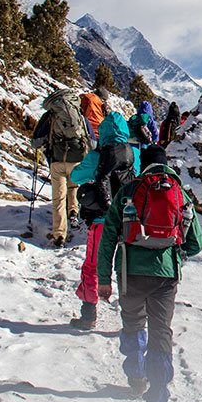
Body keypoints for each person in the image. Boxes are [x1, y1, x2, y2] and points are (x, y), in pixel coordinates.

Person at [97, 146, 202, 402]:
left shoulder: (128, 192)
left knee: (132, 324)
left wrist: (104, 279)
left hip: (130, 273)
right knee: (161, 335)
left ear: (143, 165)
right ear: (166, 165)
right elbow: (196, 244)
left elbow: (108, 236)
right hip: (166, 277)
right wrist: (175, 252)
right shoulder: (179, 194)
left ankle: (136, 378)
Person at [68, 112, 140, 330]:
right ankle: (133, 320)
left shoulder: (96, 155)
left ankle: (88, 314)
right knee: (130, 268)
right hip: (129, 221)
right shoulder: (134, 153)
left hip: (101, 219)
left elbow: (75, 177)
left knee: (93, 265)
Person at [31, 89, 94, 247]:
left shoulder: (50, 115)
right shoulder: (79, 115)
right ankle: (73, 211)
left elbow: (36, 141)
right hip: (77, 159)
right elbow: (92, 141)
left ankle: (59, 234)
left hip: (57, 160)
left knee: (58, 197)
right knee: (73, 187)